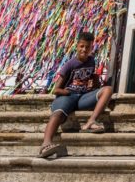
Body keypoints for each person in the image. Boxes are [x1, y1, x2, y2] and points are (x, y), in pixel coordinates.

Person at [39, 30, 114, 159]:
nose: (84, 49)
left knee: (108, 90)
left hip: (82, 97)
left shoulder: (91, 61)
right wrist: (67, 92)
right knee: (58, 113)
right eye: (82, 46)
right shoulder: (70, 65)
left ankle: (91, 121)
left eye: (88, 47)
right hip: (68, 96)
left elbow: (90, 80)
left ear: (92, 48)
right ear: (77, 46)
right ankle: (46, 144)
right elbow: (56, 90)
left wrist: (94, 82)